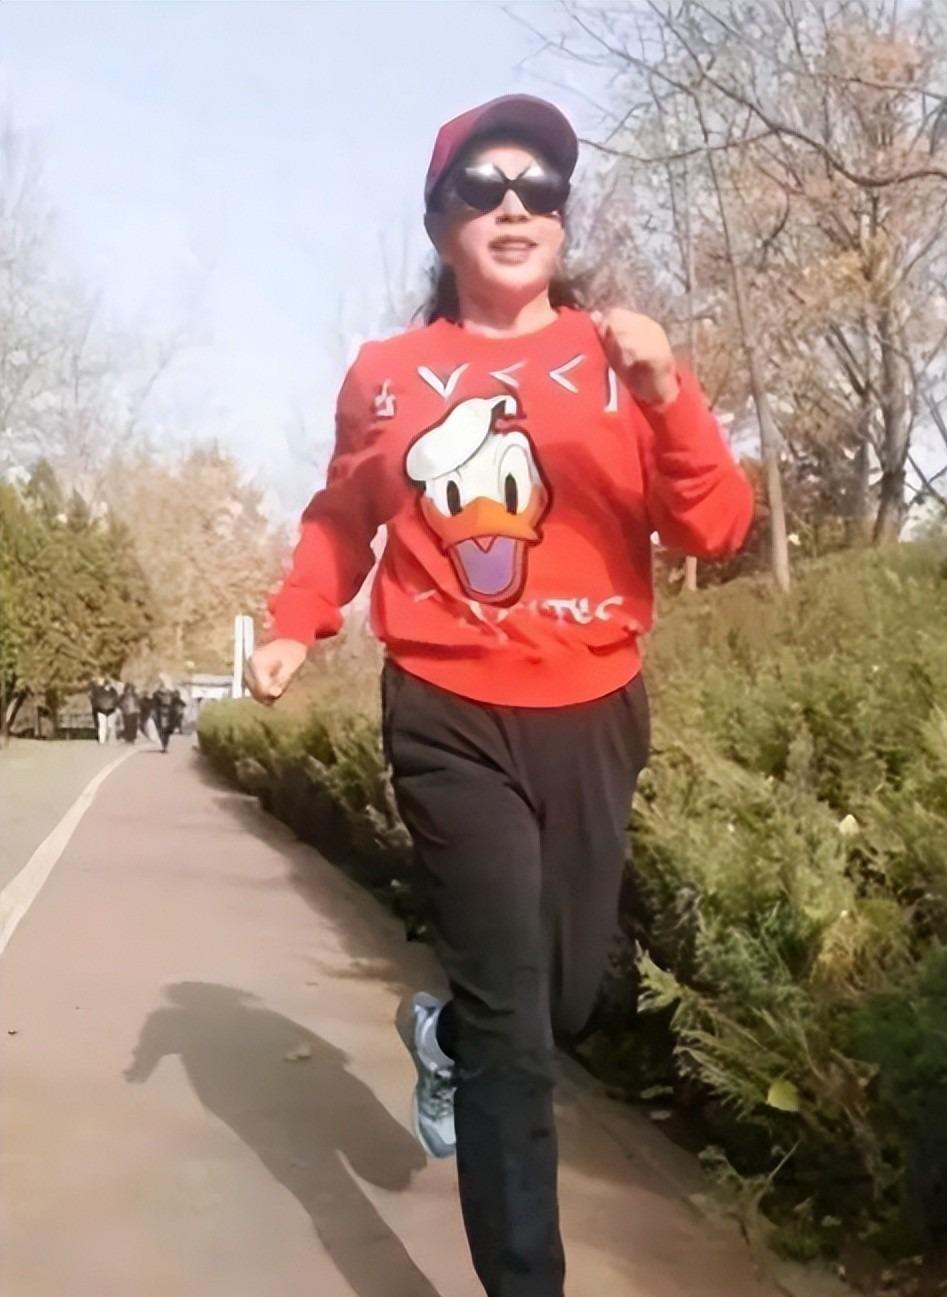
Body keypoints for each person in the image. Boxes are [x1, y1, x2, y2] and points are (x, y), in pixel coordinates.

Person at [246, 95, 753, 1297]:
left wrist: (667, 388)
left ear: (562, 220)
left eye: (540, 188)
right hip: (446, 710)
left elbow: (715, 528)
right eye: (483, 187)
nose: (514, 205)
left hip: (594, 703)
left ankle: (448, 1035)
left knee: (564, 998)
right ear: (440, 222)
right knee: (518, 1034)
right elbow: (342, 519)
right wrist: (294, 622)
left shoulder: (619, 359)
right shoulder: (386, 375)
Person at [151, 676, 184, 754]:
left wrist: (179, 708)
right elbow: (153, 704)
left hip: (169, 714)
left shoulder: (172, 694)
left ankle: (165, 746)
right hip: (160, 713)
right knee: (161, 730)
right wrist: (153, 711)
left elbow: (178, 702)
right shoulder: (156, 694)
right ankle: (164, 746)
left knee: (166, 731)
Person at [89, 678, 118, 744]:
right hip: (104, 710)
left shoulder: (111, 691)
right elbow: (116, 699)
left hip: (107, 710)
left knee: (108, 726)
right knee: (104, 726)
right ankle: (103, 740)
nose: (108, 686)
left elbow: (116, 699)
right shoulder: (111, 691)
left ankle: (105, 739)